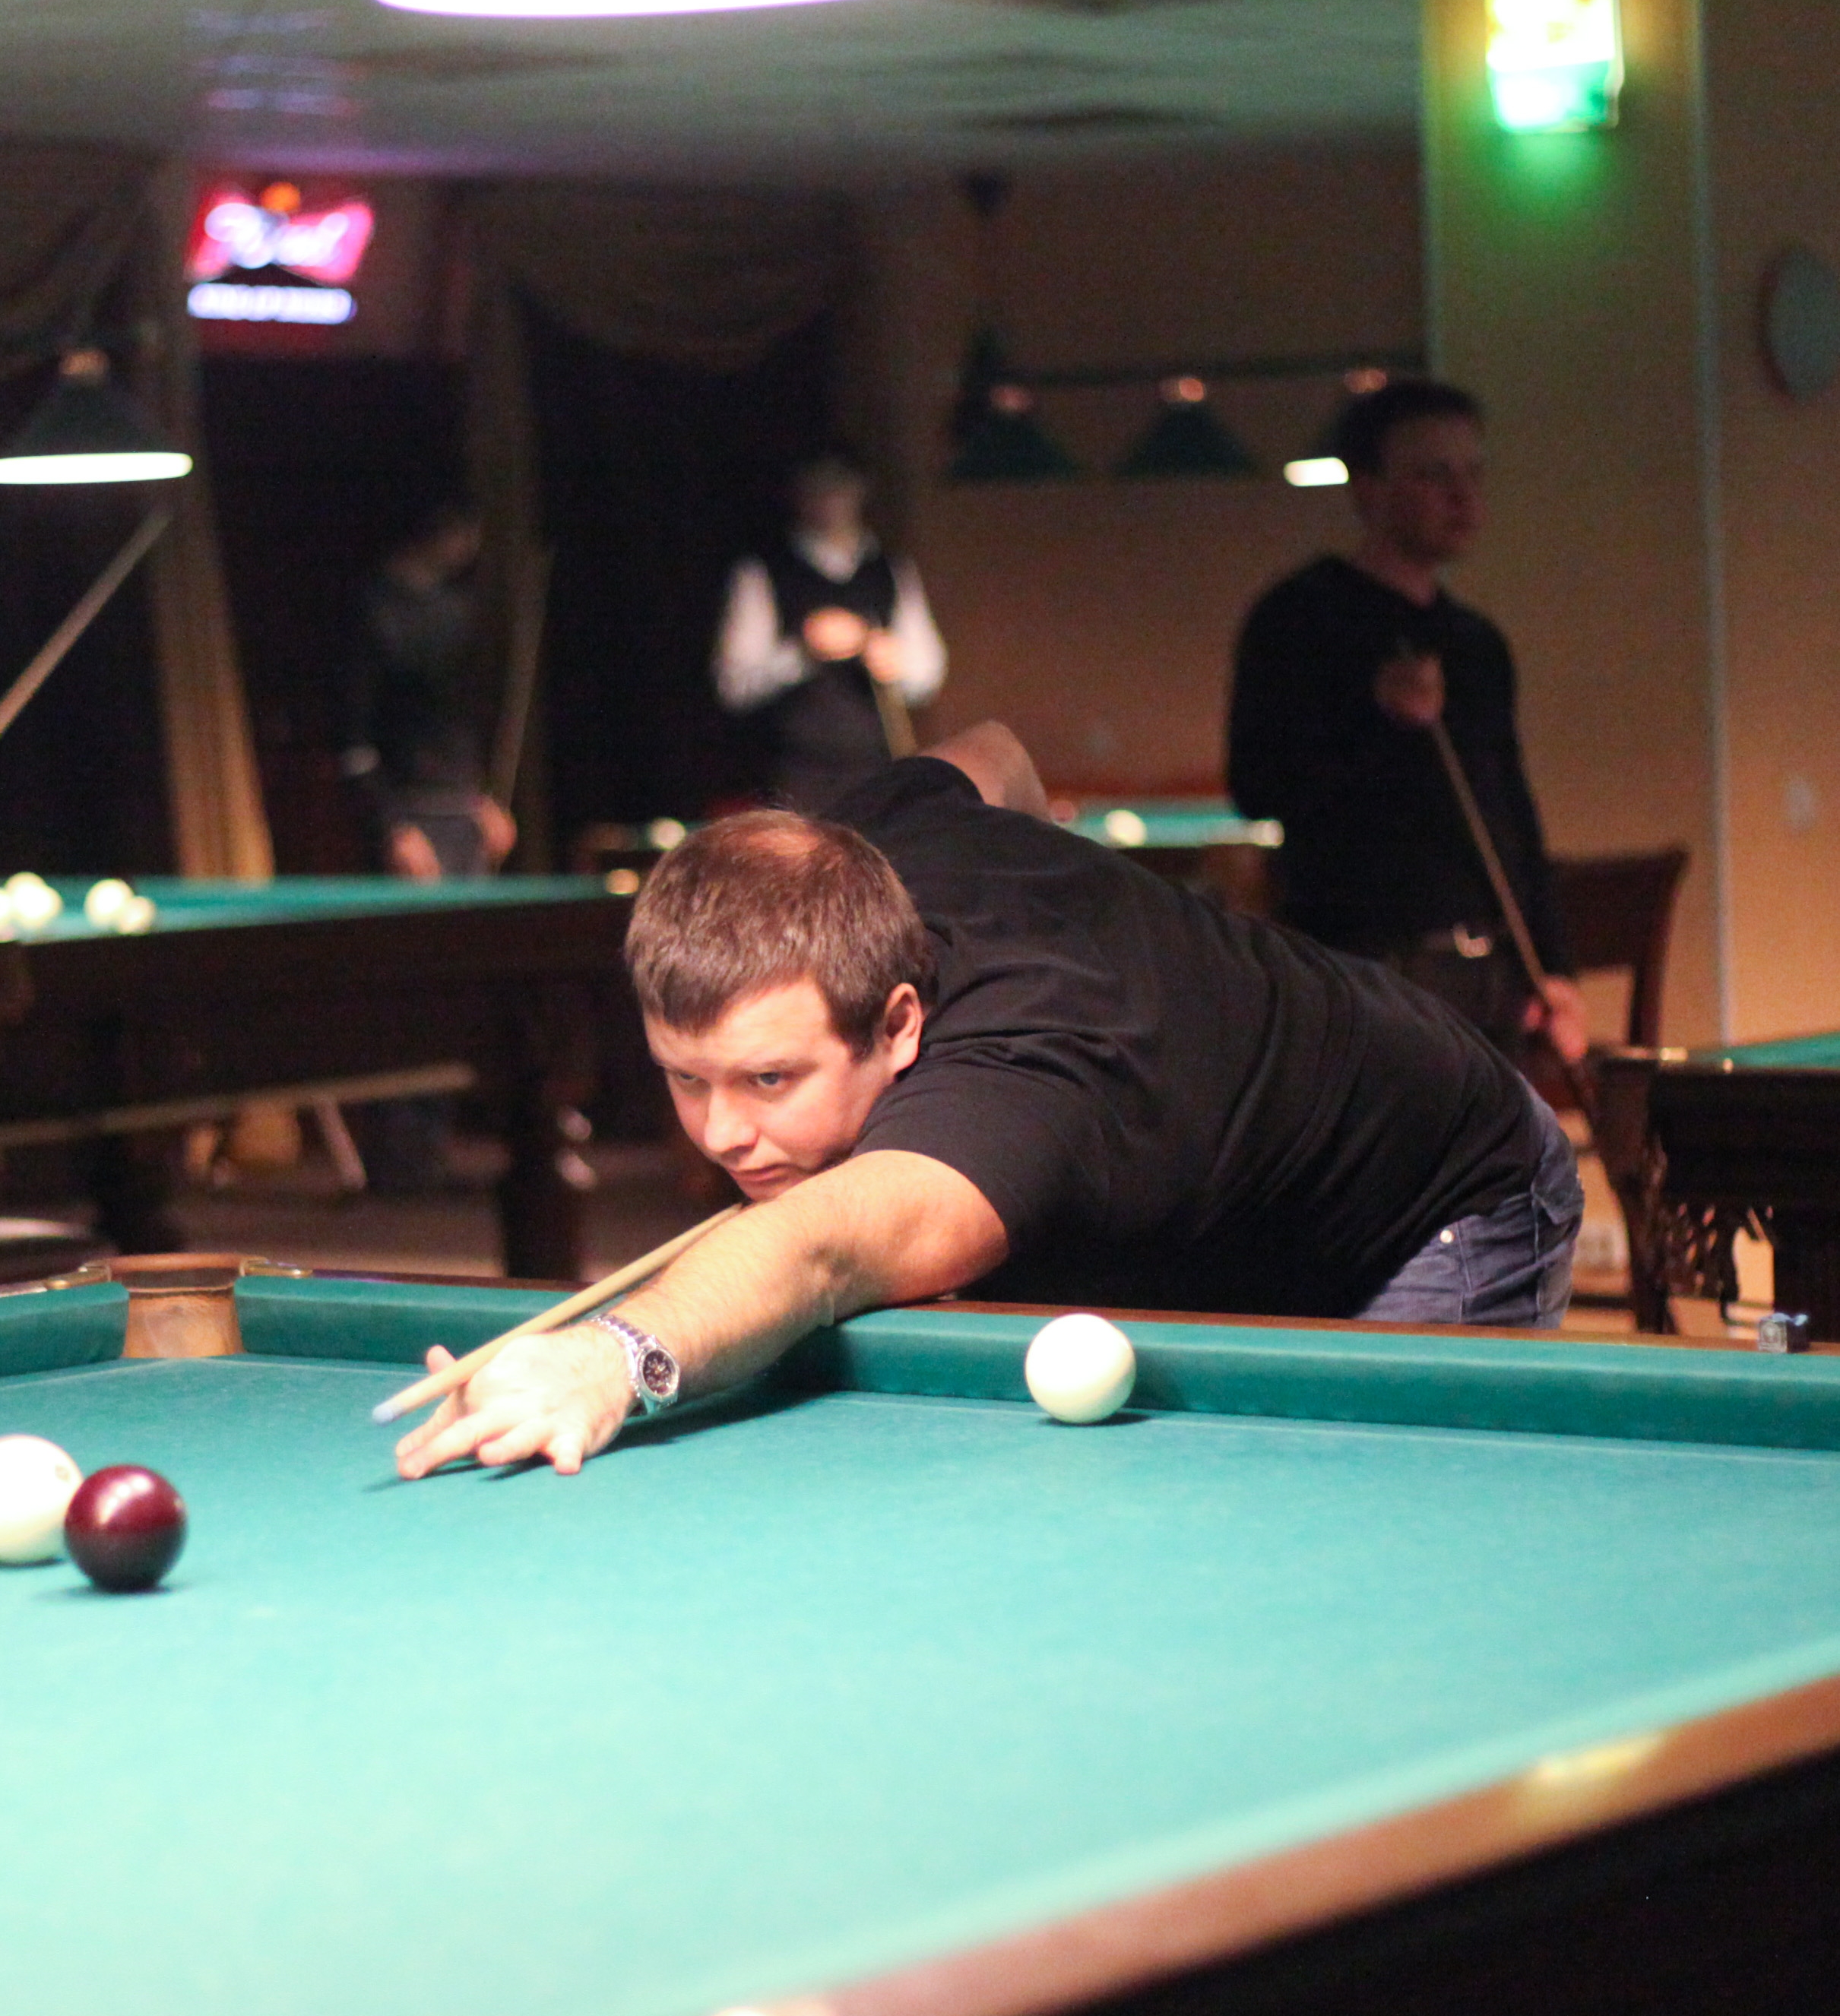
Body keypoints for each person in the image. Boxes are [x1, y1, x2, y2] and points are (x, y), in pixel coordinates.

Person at [389, 725, 1580, 1481]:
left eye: (770, 1080)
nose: (721, 1133)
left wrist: (611, 1358)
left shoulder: (1017, 1093)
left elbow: (812, 1252)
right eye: (686, 1079)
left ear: (900, 1024)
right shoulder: (859, 849)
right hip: (1236, 1160)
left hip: (1440, 1186)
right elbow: (995, 754)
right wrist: (1065, 883)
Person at [1226, 378, 1588, 1070]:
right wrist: (1377, 717)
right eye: (1433, 475)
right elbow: (1257, 784)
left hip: (1489, 972)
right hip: (1367, 971)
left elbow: (1509, 809)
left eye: (1473, 474)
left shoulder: (1475, 642)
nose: (1462, 497)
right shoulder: (1300, 617)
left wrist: (1553, 967)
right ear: (1367, 489)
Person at [712, 454, 948, 812]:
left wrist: (893, 659)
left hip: (877, 770)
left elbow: (927, 676)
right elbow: (732, 687)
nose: (828, 498)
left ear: (860, 489)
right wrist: (803, 653)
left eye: (838, 485)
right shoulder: (762, 572)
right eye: (816, 486)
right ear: (797, 493)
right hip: (795, 777)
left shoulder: (890, 570)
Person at [336, 502, 515, 882]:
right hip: (406, 818)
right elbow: (354, 741)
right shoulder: (373, 612)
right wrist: (392, 829)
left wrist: (483, 800)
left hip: (463, 813)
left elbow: (460, 722)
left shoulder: (459, 611)